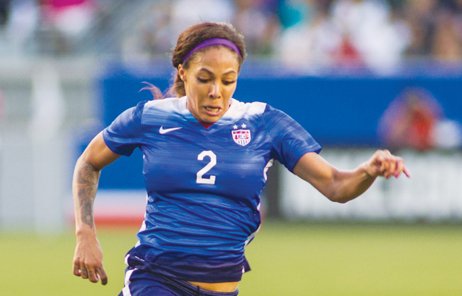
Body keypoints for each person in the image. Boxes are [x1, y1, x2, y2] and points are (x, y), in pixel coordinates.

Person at [72, 21, 409, 296]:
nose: (216, 91)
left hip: (224, 289)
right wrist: (85, 233)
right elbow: (89, 161)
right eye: (204, 78)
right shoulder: (149, 117)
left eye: (228, 80)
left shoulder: (264, 123)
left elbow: (335, 185)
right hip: (156, 280)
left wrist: (368, 171)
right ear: (183, 72)